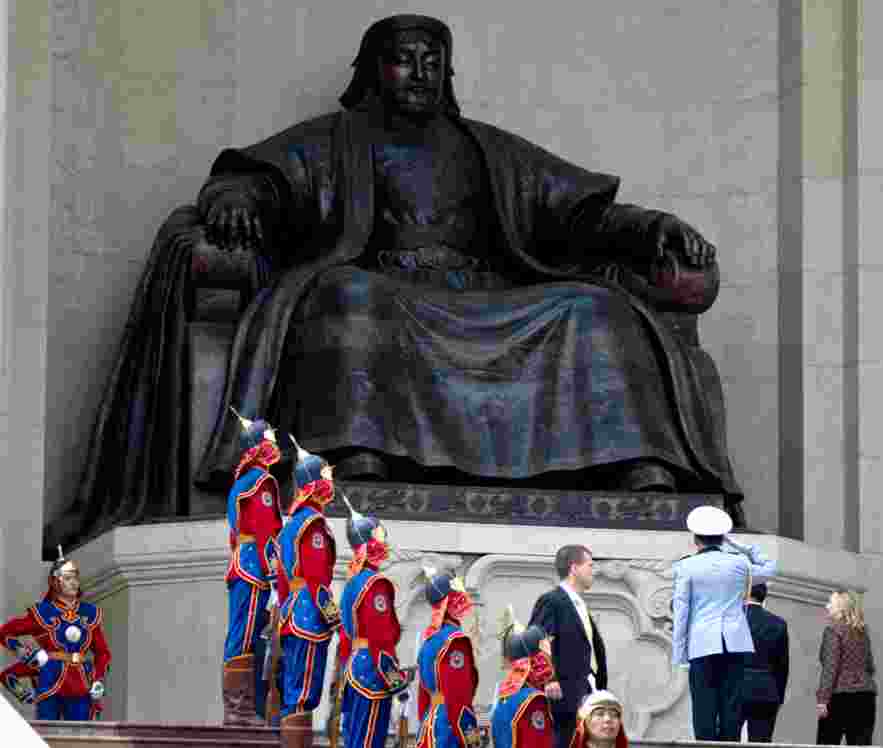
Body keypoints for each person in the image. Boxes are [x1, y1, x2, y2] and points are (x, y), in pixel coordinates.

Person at [52, 12, 746, 556]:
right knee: (351, 300)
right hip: (384, 288)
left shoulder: (488, 149)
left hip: (486, 294)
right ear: (374, 70)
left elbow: (583, 211)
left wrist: (650, 226)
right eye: (403, 59)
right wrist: (234, 198)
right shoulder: (338, 138)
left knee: (592, 309)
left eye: (431, 60)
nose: (419, 71)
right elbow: (265, 179)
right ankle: (359, 456)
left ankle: (634, 463)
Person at [671, 505, 775, 741]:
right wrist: (742, 546)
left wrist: (679, 654)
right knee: (732, 708)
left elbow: (681, 612)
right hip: (735, 644)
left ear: (695, 539)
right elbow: (770, 568)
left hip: (701, 645)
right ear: (722, 538)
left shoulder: (686, 566)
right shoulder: (739, 563)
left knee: (703, 710)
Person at [272, 437, 342, 747]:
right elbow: (316, 580)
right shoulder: (313, 525)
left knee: (293, 693)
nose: (330, 485)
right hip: (309, 616)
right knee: (303, 695)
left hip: (292, 611)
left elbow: (284, 580)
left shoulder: (291, 524)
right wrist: (334, 619)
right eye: (325, 479)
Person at [333, 498, 414, 748]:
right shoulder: (375, 585)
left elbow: (346, 635)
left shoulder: (352, 583)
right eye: (380, 537)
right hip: (371, 670)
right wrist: (396, 679)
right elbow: (381, 636)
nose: (385, 543)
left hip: (354, 667)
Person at [222, 410, 284, 725]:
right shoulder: (262, 481)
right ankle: (240, 710)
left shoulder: (241, 481)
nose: (274, 440)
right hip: (254, 568)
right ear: (259, 445)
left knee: (244, 634)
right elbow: (266, 532)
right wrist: (275, 578)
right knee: (245, 635)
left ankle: (244, 709)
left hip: (242, 562)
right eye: (269, 436)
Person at [0, 547, 111, 721]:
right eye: (68, 578)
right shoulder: (43, 612)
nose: (74, 582)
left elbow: (102, 653)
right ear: (55, 582)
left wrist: (98, 679)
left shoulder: (89, 613)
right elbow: (4, 633)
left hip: (81, 682)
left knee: (80, 737)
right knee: (47, 734)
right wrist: (27, 654)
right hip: (50, 677)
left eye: (75, 577)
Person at [528, 545, 607, 748]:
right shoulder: (552, 601)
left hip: (585, 688)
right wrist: (548, 678)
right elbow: (537, 639)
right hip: (563, 692)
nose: (593, 570)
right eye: (590, 565)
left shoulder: (579, 603)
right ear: (574, 568)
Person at [415, 567, 483, 748]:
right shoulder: (455, 641)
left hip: (430, 724)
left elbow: (423, 696)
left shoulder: (428, 640)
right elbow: (458, 694)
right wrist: (471, 736)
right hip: (449, 728)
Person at [815, 590, 877, 746]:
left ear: (841, 608)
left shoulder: (833, 631)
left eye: (830, 603)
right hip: (866, 697)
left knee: (827, 743)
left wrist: (822, 700)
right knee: (860, 744)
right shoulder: (862, 633)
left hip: (840, 697)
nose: (827, 606)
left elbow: (830, 667)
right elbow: (869, 666)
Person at [490, 607, 556, 748]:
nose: (551, 657)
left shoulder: (504, 698)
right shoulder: (534, 700)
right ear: (535, 660)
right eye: (546, 651)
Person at [739, 583, 789, 742]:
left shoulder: (732, 619)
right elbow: (782, 666)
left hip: (734, 689)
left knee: (726, 741)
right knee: (761, 742)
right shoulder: (778, 624)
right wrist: (778, 696)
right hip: (766, 691)